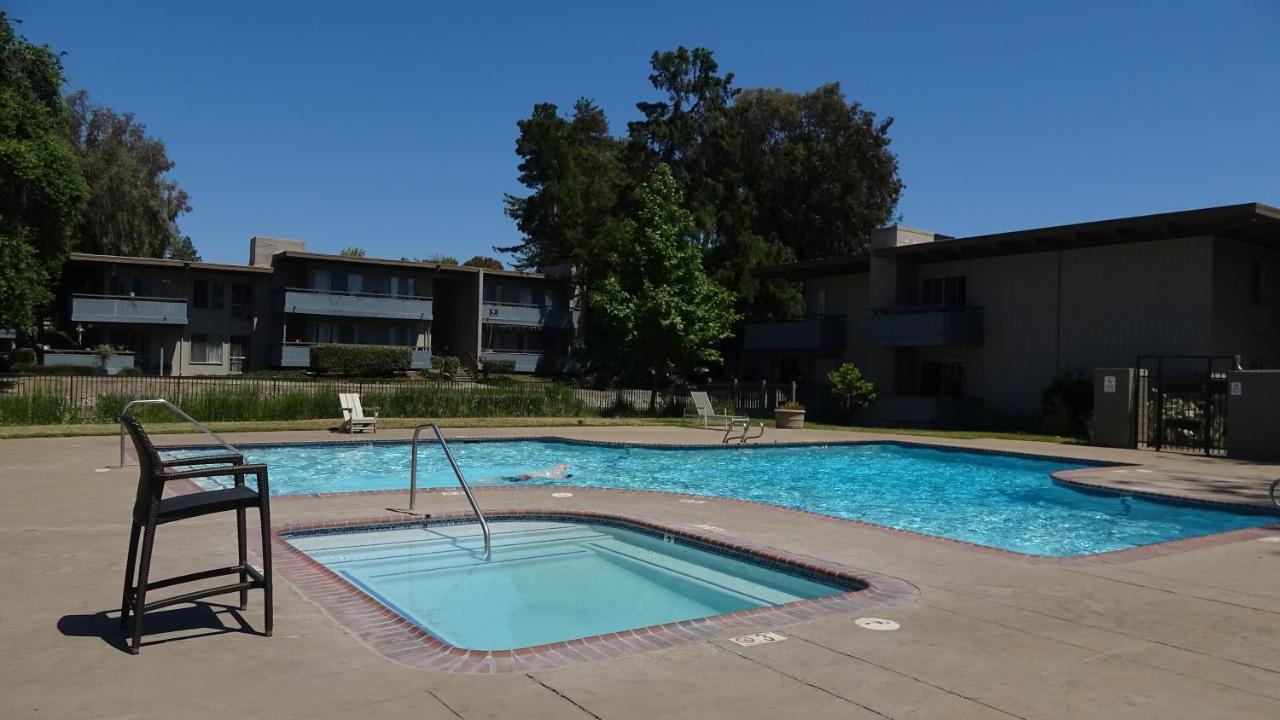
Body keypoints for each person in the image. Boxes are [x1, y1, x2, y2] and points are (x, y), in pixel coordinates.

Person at [504, 463, 572, 482]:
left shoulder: (552, 470)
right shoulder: (560, 474)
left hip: (529, 476)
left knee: (508, 479)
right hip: (529, 477)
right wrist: (565, 477)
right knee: (511, 479)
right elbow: (559, 479)